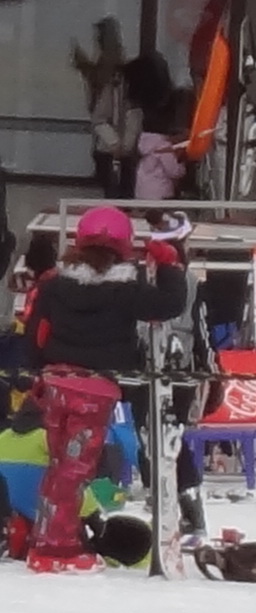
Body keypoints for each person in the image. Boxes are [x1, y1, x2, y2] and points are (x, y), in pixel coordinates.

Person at [19, 204, 183, 568]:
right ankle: (58, 549)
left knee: (58, 465)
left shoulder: (53, 283)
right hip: (94, 390)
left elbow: (35, 332)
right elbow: (169, 305)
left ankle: (44, 539)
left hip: (55, 382)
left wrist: (36, 372)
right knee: (76, 470)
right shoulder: (126, 286)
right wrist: (170, 266)